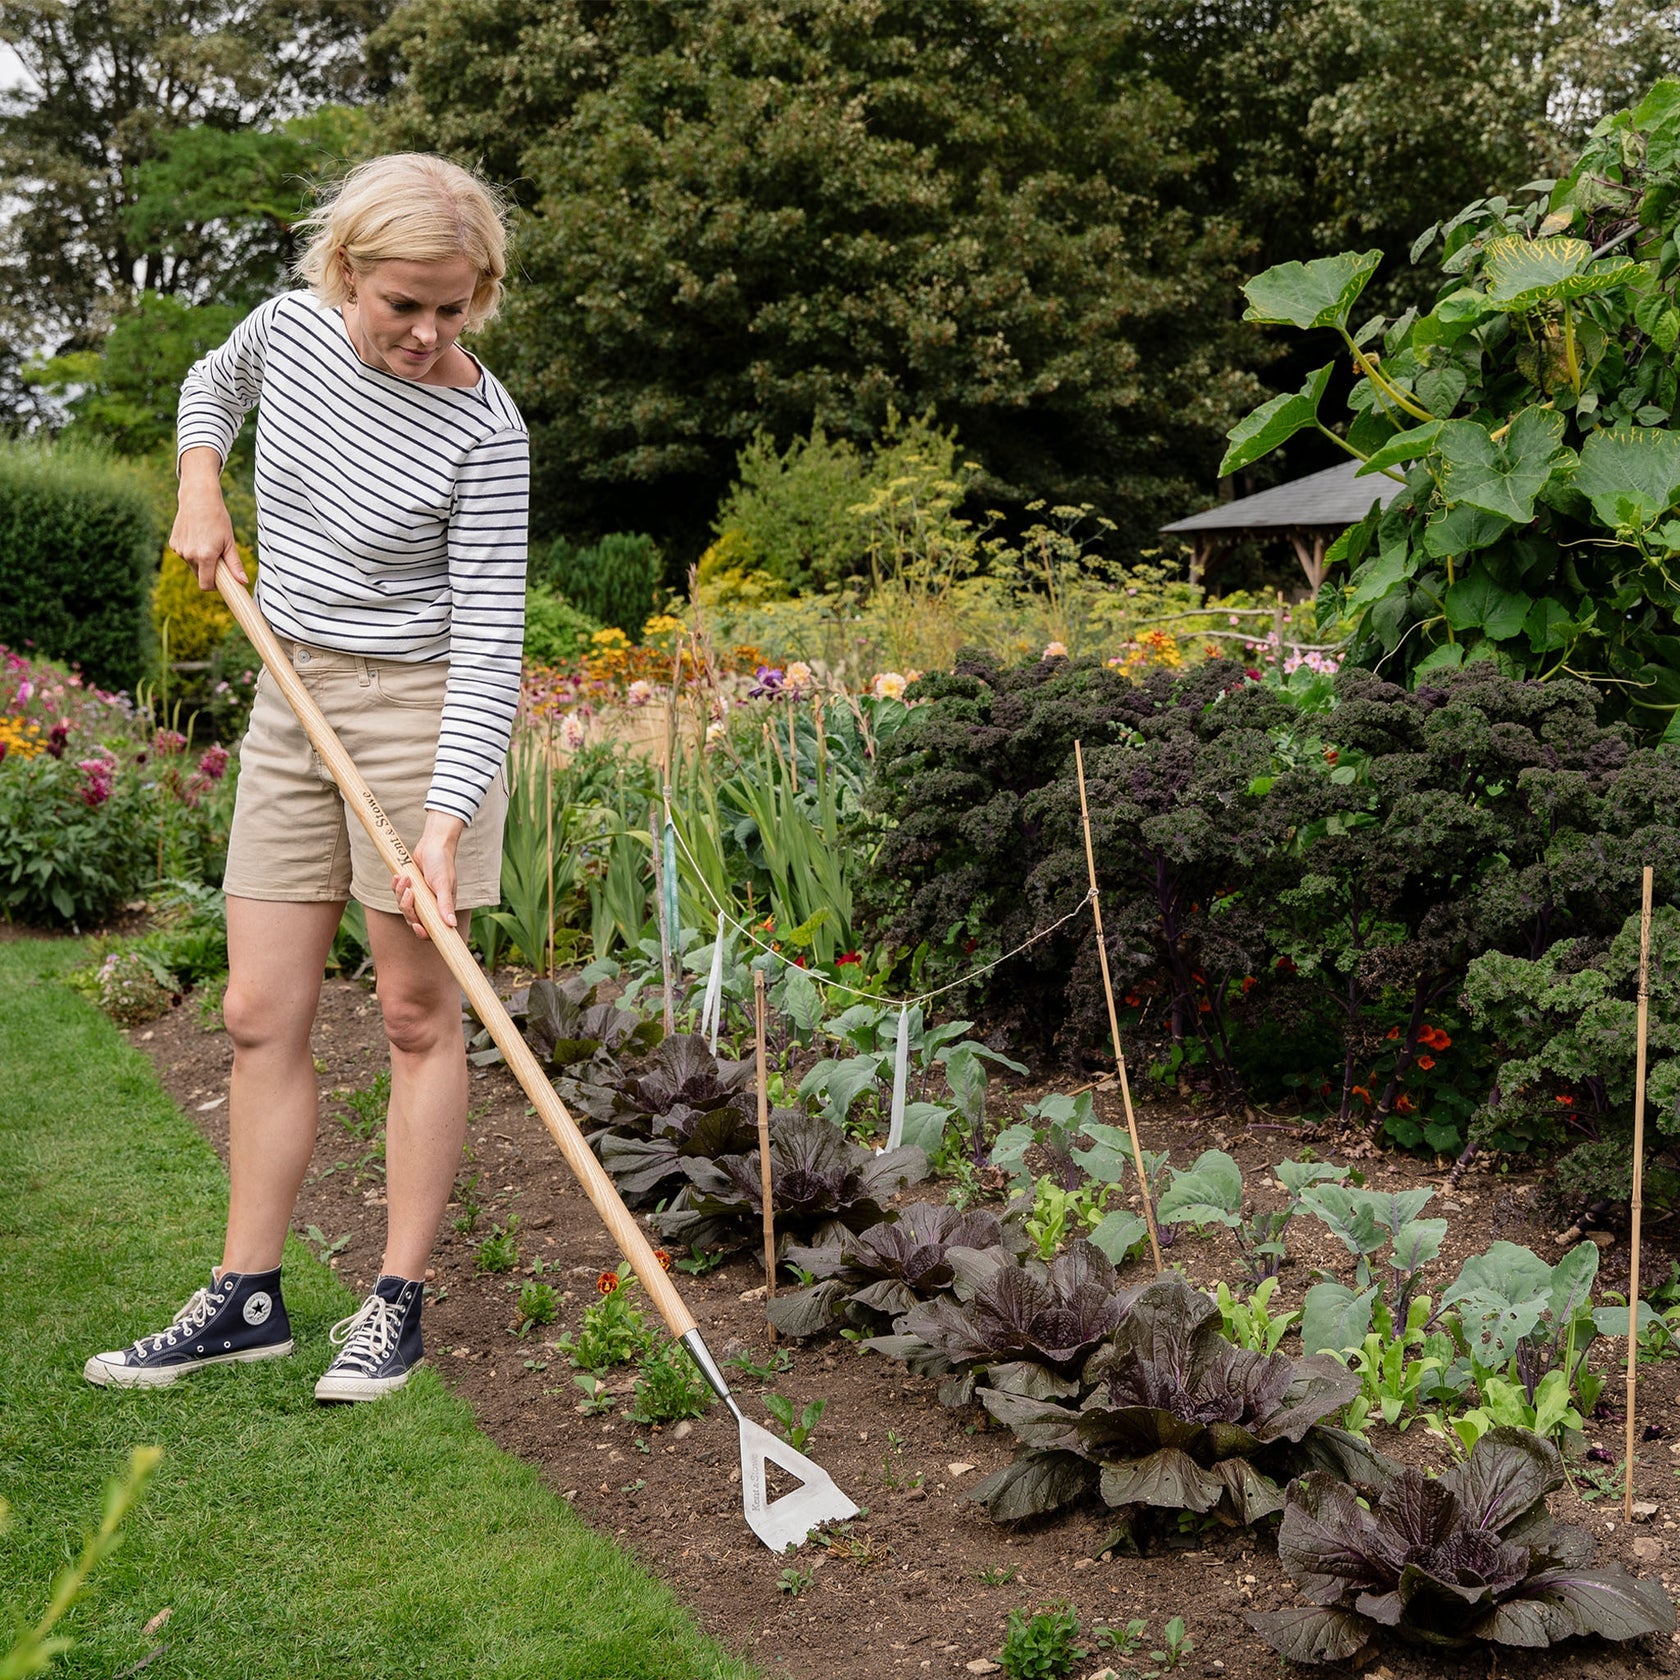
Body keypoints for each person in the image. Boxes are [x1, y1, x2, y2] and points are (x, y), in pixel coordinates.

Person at [84, 153, 529, 1402]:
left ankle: (395, 1304)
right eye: (404, 305)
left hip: (420, 709)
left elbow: (494, 642)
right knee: (257, 1013)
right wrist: (200, 482)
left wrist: (445, 823)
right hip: (292, 690)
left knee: (412, 1015)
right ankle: (248, 1298)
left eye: (455, 307)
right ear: (346, 275)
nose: (428, 333)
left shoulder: (487, 433)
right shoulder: (284, 330)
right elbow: (206, 390)